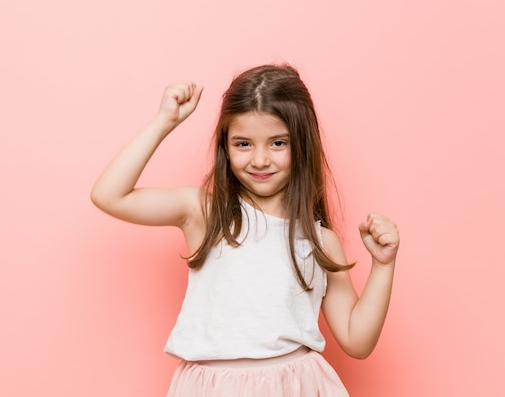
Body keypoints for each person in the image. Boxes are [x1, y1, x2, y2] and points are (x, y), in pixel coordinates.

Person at [91, 64, 400, 397]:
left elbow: (357, 340)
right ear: (225, 146)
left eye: (278, 143)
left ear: (302, 144)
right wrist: (164, 122)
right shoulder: (205, 213)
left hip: (296, 387)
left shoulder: (319, 240)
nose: (260, 159)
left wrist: (383, 265)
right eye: (243, 144)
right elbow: (109, 195)